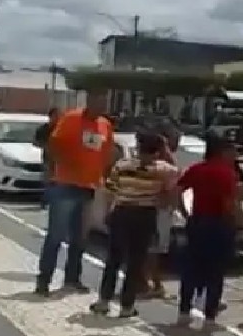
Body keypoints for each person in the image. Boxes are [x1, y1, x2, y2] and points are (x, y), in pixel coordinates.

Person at [90, 133, 177, 317]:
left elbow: (110, 190)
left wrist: (108, 212)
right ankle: (127, 306)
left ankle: (103, 301)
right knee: (135, 262)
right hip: (144, 216)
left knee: (114, 259)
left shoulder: (122, 165)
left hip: (122, 212)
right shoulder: (164, 171)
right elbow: (169, 196)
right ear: (157, 152)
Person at [34, 96, 113, 297]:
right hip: (66, 185)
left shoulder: (105, 125)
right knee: (56, 235)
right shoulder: (71, 119)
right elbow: (53, 144)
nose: (101, 106)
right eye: (98, 100)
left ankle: (72, 278)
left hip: (89, 187)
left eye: (104, 103)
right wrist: (64, 163)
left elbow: (106, 153)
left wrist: (103, 176)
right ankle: (44, 280)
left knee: (80, 237)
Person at [176, 135, 239, 327]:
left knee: (191, 268)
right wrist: (234, 220)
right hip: (218, 223)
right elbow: (228, 203)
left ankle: (184, 310)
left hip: (197, 222)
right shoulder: (227, 173)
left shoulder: (197, 169)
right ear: (222, 152)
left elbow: (177, 190)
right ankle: (210, 314)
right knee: (216, 270)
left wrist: (184, 212)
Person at [143, 122, 181, 298]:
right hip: (159, 211)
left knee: (151, 249)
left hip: (158, 210)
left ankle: (147, 282)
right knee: (153, 249)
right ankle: (154, 284)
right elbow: (173, 189)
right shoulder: (164, 164)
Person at [34, 108, 60, 209]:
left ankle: (54, 201)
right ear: (50, 117)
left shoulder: (60, 128)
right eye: (55, 115)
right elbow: (35, 142)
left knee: (57, 181)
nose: (57, 118)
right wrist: (45, 145)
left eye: (58, 116)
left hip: (59, 158)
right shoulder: (44, 129)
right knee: (48, 181)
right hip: (48, 158)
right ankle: (45, 201)